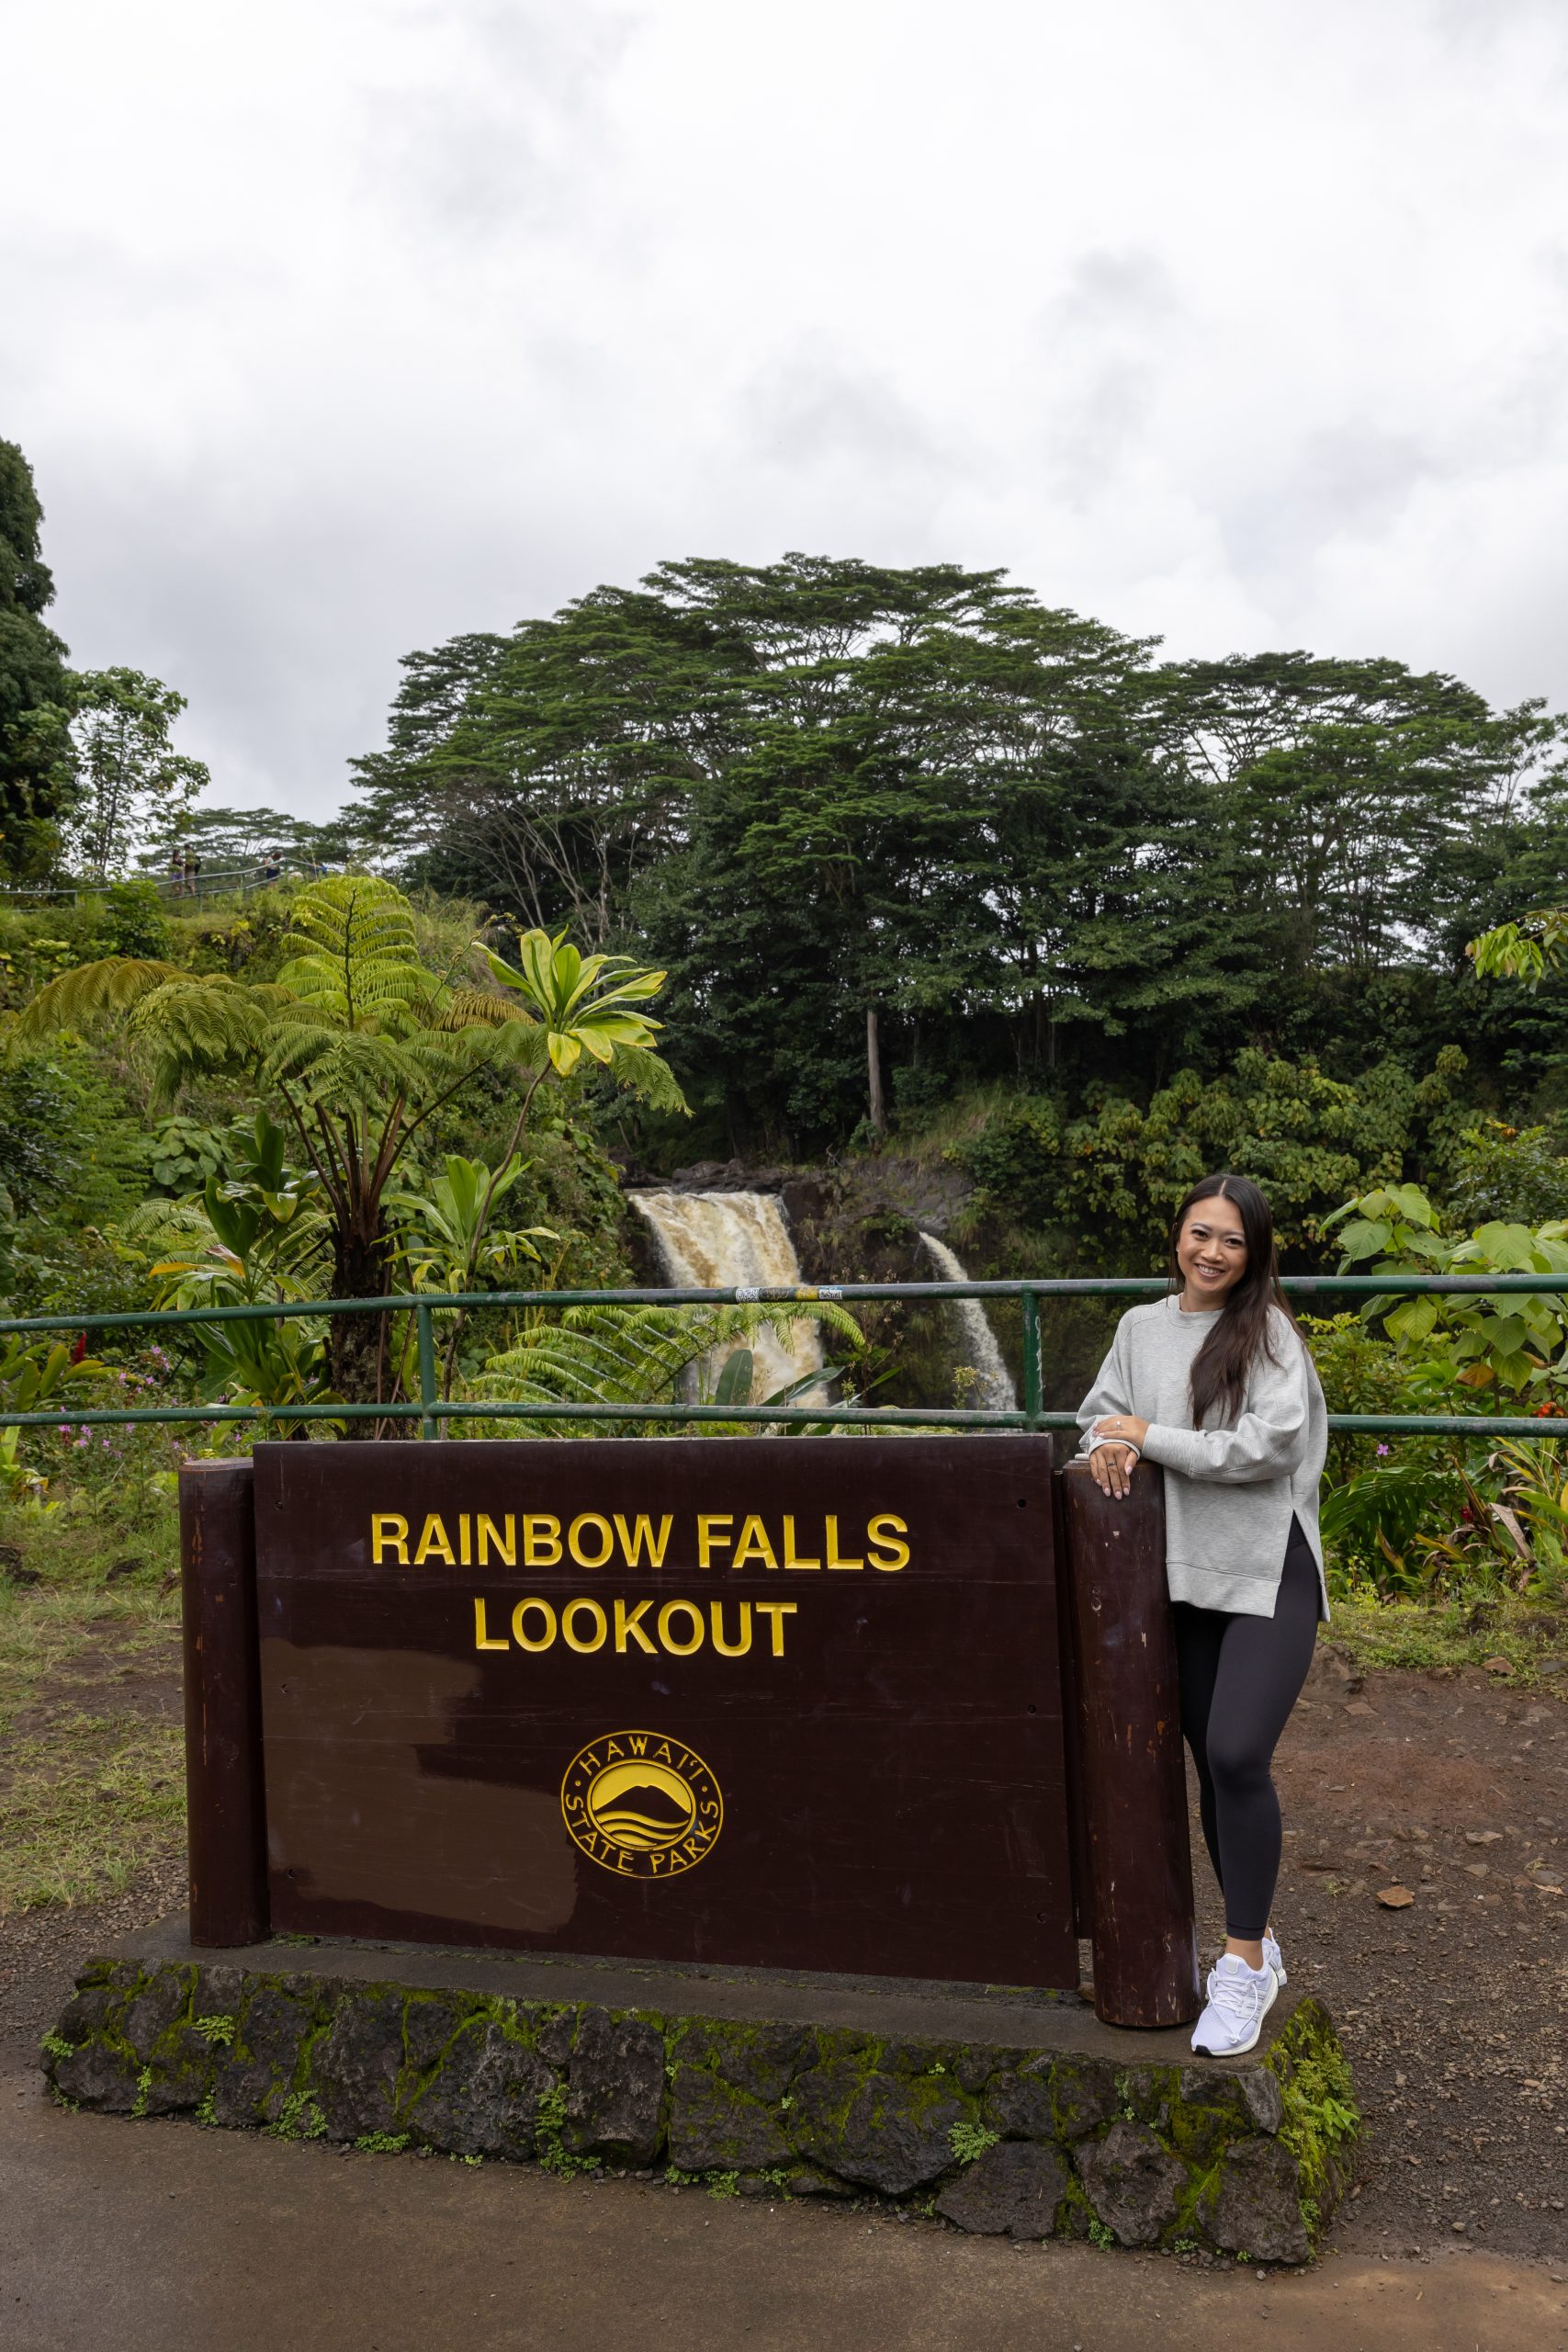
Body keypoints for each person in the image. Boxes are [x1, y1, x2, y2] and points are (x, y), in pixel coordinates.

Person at [1076, 1172, 1327, 2058]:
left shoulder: (1267, 1336)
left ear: (1252, 1252)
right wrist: (1109, 1442)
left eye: (1230, 1240)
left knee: (1234, 1753)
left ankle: (1240, 1965)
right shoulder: (1140, 1328)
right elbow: (1099, 1415)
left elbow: (1266, 1449)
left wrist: (1148, 1438)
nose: (1211, 1253)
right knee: (1207, 1763)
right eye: (1198, 1234)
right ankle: (1254, 1944)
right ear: (1176, 1236)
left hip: (1266, 1570)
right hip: (1178, 1578)